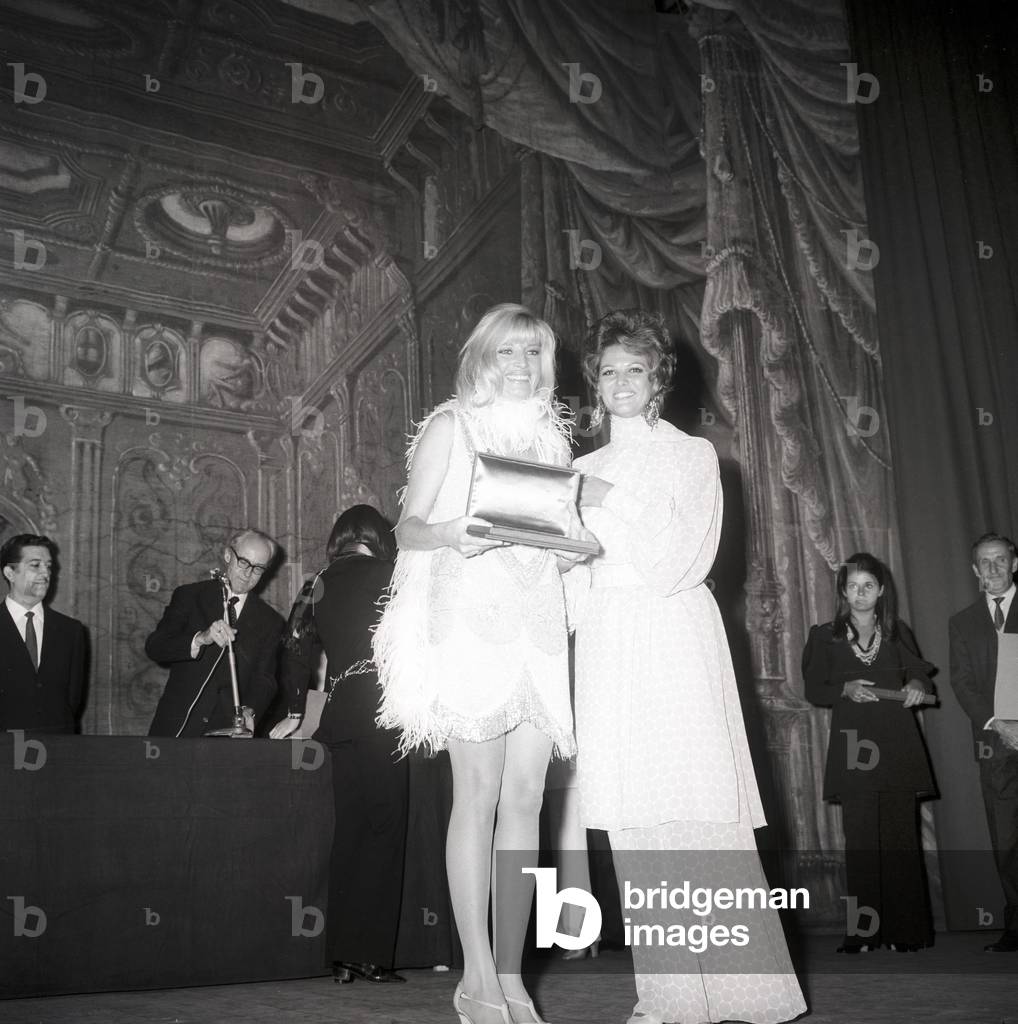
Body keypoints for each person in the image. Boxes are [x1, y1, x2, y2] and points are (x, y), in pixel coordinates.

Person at [573, 308, 806, 1024]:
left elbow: (682, 562)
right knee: (635, 820)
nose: (619, 383)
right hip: (609, 641)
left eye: (633, 370)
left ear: (657, 382)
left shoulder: (693, 457)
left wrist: (612, 500)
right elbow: (574, 580)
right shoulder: (577, 467)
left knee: (698, 810)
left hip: (672, 633)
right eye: (608, 370)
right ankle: (668, 997)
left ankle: (745, 994)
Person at [373, 303, 587, 1024]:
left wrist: (573, 545)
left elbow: (565, 534)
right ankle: (473, 976)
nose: (521, 364)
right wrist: (451, 533)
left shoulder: (555, 445)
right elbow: (405, 528)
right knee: (481, 793)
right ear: (481, 358)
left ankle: (511, 970)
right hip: (469, 622)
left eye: (533, 352)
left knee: (529, 798)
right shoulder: (450, 425)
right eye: (507, 351)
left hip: (538, 628)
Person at [273, 504, 409, 983]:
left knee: (349, 833)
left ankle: (343, 955)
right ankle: (369, 955)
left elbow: (293, 645)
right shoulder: (394, 574)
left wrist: (294, 712)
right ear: (379, 537)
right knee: (385, 832)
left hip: (338, 718)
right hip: (385, 713)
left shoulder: (318, 581)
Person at [803, 552, 936, 953]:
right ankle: (862, 934)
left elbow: (917, 671)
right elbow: (813, 688)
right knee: (861, 842)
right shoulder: (823, 634)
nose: (860, 594)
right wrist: (842, 689)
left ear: (881, 591)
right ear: (843, 591)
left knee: (900, 839)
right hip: (854, 750)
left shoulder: (897, 632)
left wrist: (914, 683)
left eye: (868, 586)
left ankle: (905, 932)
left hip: (897, 745)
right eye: (852, 586)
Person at [949, 532, 1018, 953]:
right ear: (975, 571)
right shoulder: (963, 622)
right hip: (994, 744)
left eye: (1000, 561)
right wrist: (999, 723)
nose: (992, 570)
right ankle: (1016, 925)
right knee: (1006, 836)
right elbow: (962, 682)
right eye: (984, 563)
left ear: (1014, 563)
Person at [146, 528, 285, 737]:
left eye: (257, 569)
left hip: (227, 736)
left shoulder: (271, 621)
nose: (248, 574)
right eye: (243, 562)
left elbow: (265, 679)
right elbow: (155, 647)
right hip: (176, 728)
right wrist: (200, 639)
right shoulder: (190, 596)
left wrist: (250, 711)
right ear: (228, 555)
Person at [0, 534, 86, 734]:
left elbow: (71, 701)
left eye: (48, 566)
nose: (45, 573)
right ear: (10, 573)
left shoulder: (71, 630)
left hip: (56, 751)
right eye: (35, 565)